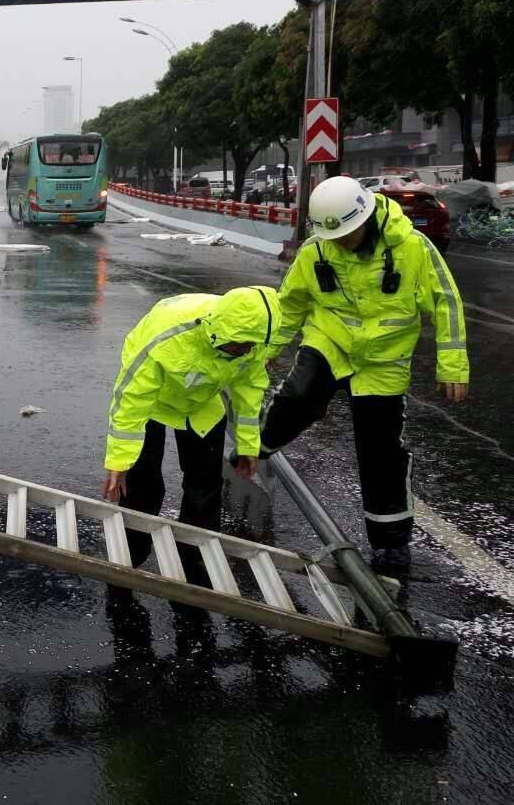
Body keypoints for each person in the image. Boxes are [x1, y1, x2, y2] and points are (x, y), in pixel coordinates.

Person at [260, 175, 468, 572]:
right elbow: (291, 306)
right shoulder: (316, 250)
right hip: (331, 340)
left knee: (380, 452)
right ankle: (259, 445)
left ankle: (391, 543)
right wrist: (269, 351)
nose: (340, 243)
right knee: (299, 394)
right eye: (333, 237)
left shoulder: (412, 247)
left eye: (348, 235)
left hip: (383, 361)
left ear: (366, 218)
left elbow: (447, 303)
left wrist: (452, 364)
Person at [103, 286, 282, 573]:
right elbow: (131, 400)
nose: (245, 351)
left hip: (202, 400)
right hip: (155, 398)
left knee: (205, 483)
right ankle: (130, 553)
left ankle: (195, 557)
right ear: (219, 332)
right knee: (142, 481)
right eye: (240, 345)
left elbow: (249, 393)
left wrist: (249, 446)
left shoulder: (252, 341)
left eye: (250, 346)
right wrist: (119, 461)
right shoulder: (165, 339)